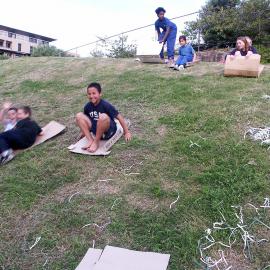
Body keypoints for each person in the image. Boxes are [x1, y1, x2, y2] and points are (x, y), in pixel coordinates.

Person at [76, 82, 132, 153]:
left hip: (108, 132)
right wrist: (84, 132)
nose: (91, 96)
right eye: (89, 94)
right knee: (79, 115)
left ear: (100, 94)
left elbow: (119, 116)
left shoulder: (105, 105)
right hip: (96, 130)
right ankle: (90, 140)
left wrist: (126, 132)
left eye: (94, 93)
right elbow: (86, 121)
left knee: (103, 116)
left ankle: (96, 142)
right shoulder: (87, 106)